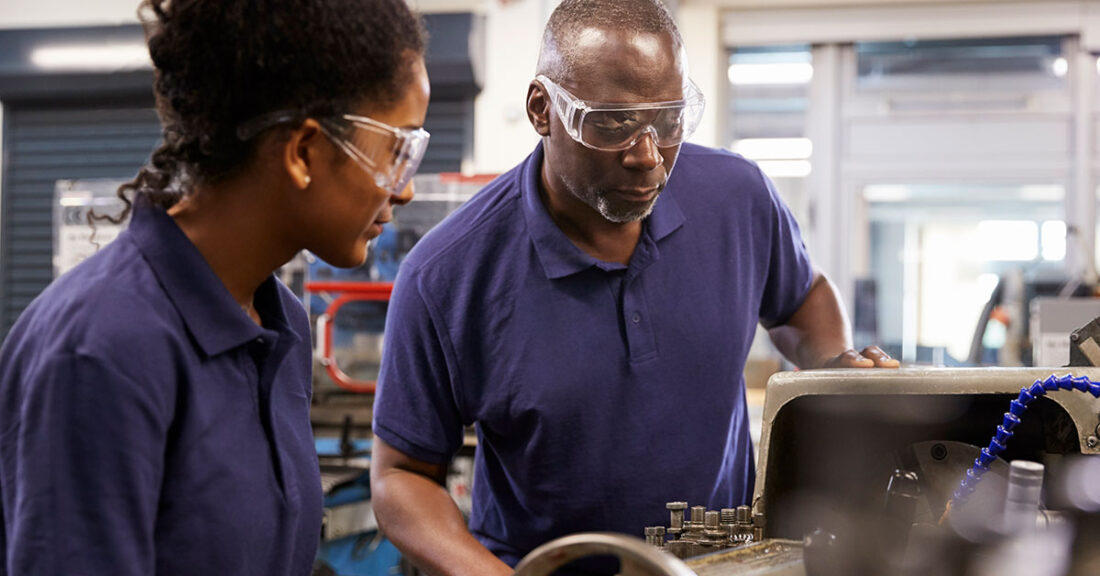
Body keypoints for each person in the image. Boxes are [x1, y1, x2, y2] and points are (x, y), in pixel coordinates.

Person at [370, 0, 898, 574]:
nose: (648, 157)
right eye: (613, 122)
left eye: (668, 120)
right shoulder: (446, 276)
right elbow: (401, 476)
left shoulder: (737, 199)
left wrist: (831, 370)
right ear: (542, 109)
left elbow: (804, 298)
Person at [0, 1, 429, 574]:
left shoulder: (281, 325)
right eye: (397, 151)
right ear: (303, 152)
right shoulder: (101, 350)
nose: (404, 191)